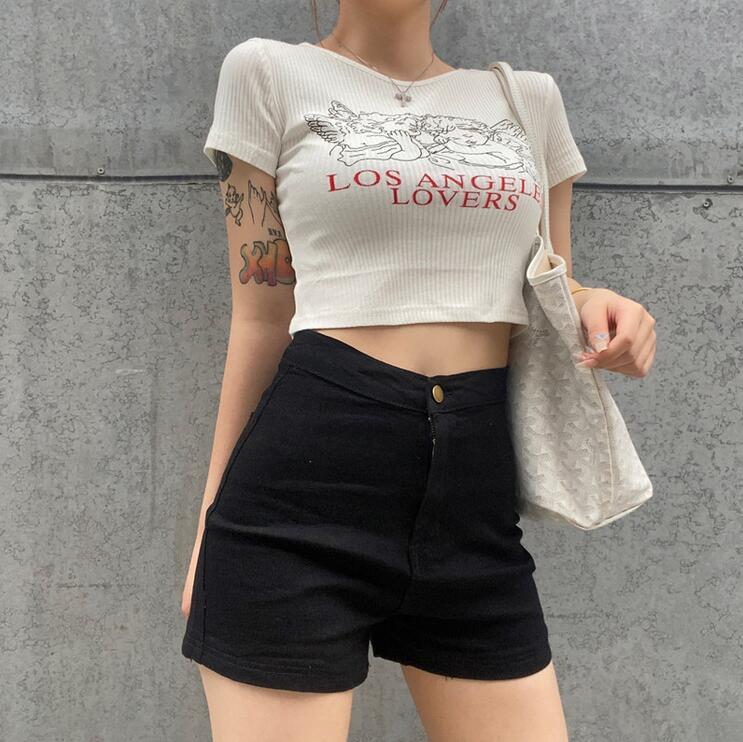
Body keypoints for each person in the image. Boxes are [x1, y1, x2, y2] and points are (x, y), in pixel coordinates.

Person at [180, 1, 657, 740]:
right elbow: (262, 317)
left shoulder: (525, 99)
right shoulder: (267, 73)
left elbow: (555, 279)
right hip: (302, 493)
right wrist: (210, 525)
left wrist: (602, 305)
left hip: (472, 508)